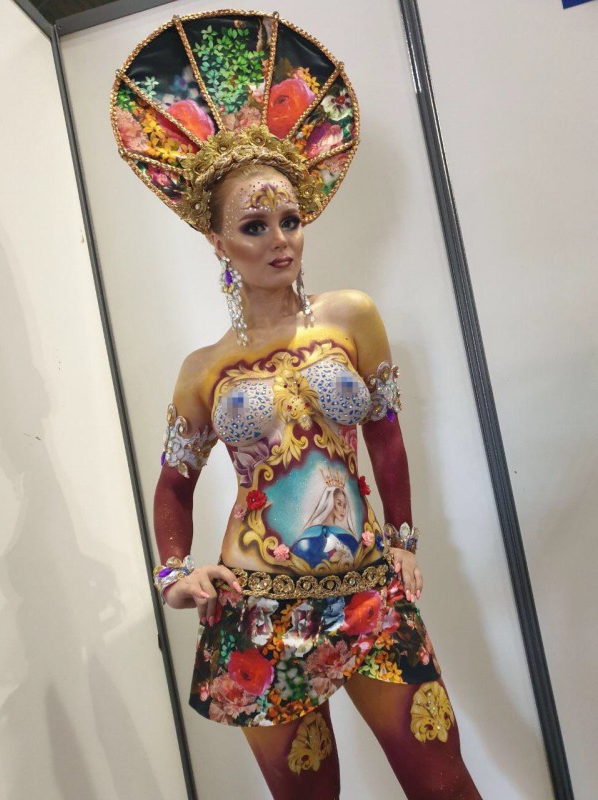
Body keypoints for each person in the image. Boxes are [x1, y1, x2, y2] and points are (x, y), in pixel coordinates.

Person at [112, 10, 482, 799]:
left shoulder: (351, 318)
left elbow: (385, 432)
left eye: (290, 219)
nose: (279, 239)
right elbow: (174, 483)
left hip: (372, 595)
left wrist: (406, 539)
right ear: (218, 242)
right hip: (258, 615)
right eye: (254, 226)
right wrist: (173, 573)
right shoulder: (202, 370)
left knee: (445, 786)